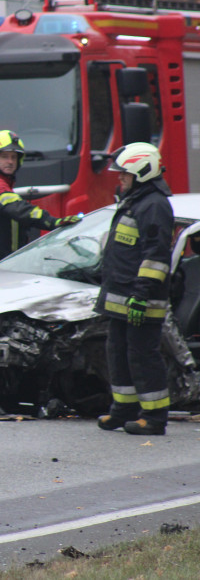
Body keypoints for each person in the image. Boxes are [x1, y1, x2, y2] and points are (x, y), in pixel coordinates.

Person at [95, 142, 174, 436]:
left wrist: (140, 296)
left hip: (141, 299)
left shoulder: (153, 205)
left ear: (141, 172)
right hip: (121, 300)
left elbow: (155, 256)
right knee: (117, 353)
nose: (120, 179)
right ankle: (123, 409)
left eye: (124, 175)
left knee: (143, 356)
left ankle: (154, 417)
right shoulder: (134, 201)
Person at [0, 130, 80, 271]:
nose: (10, 162)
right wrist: (53, 222)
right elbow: (18, 209)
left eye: (14, 157)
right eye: (4, 157)